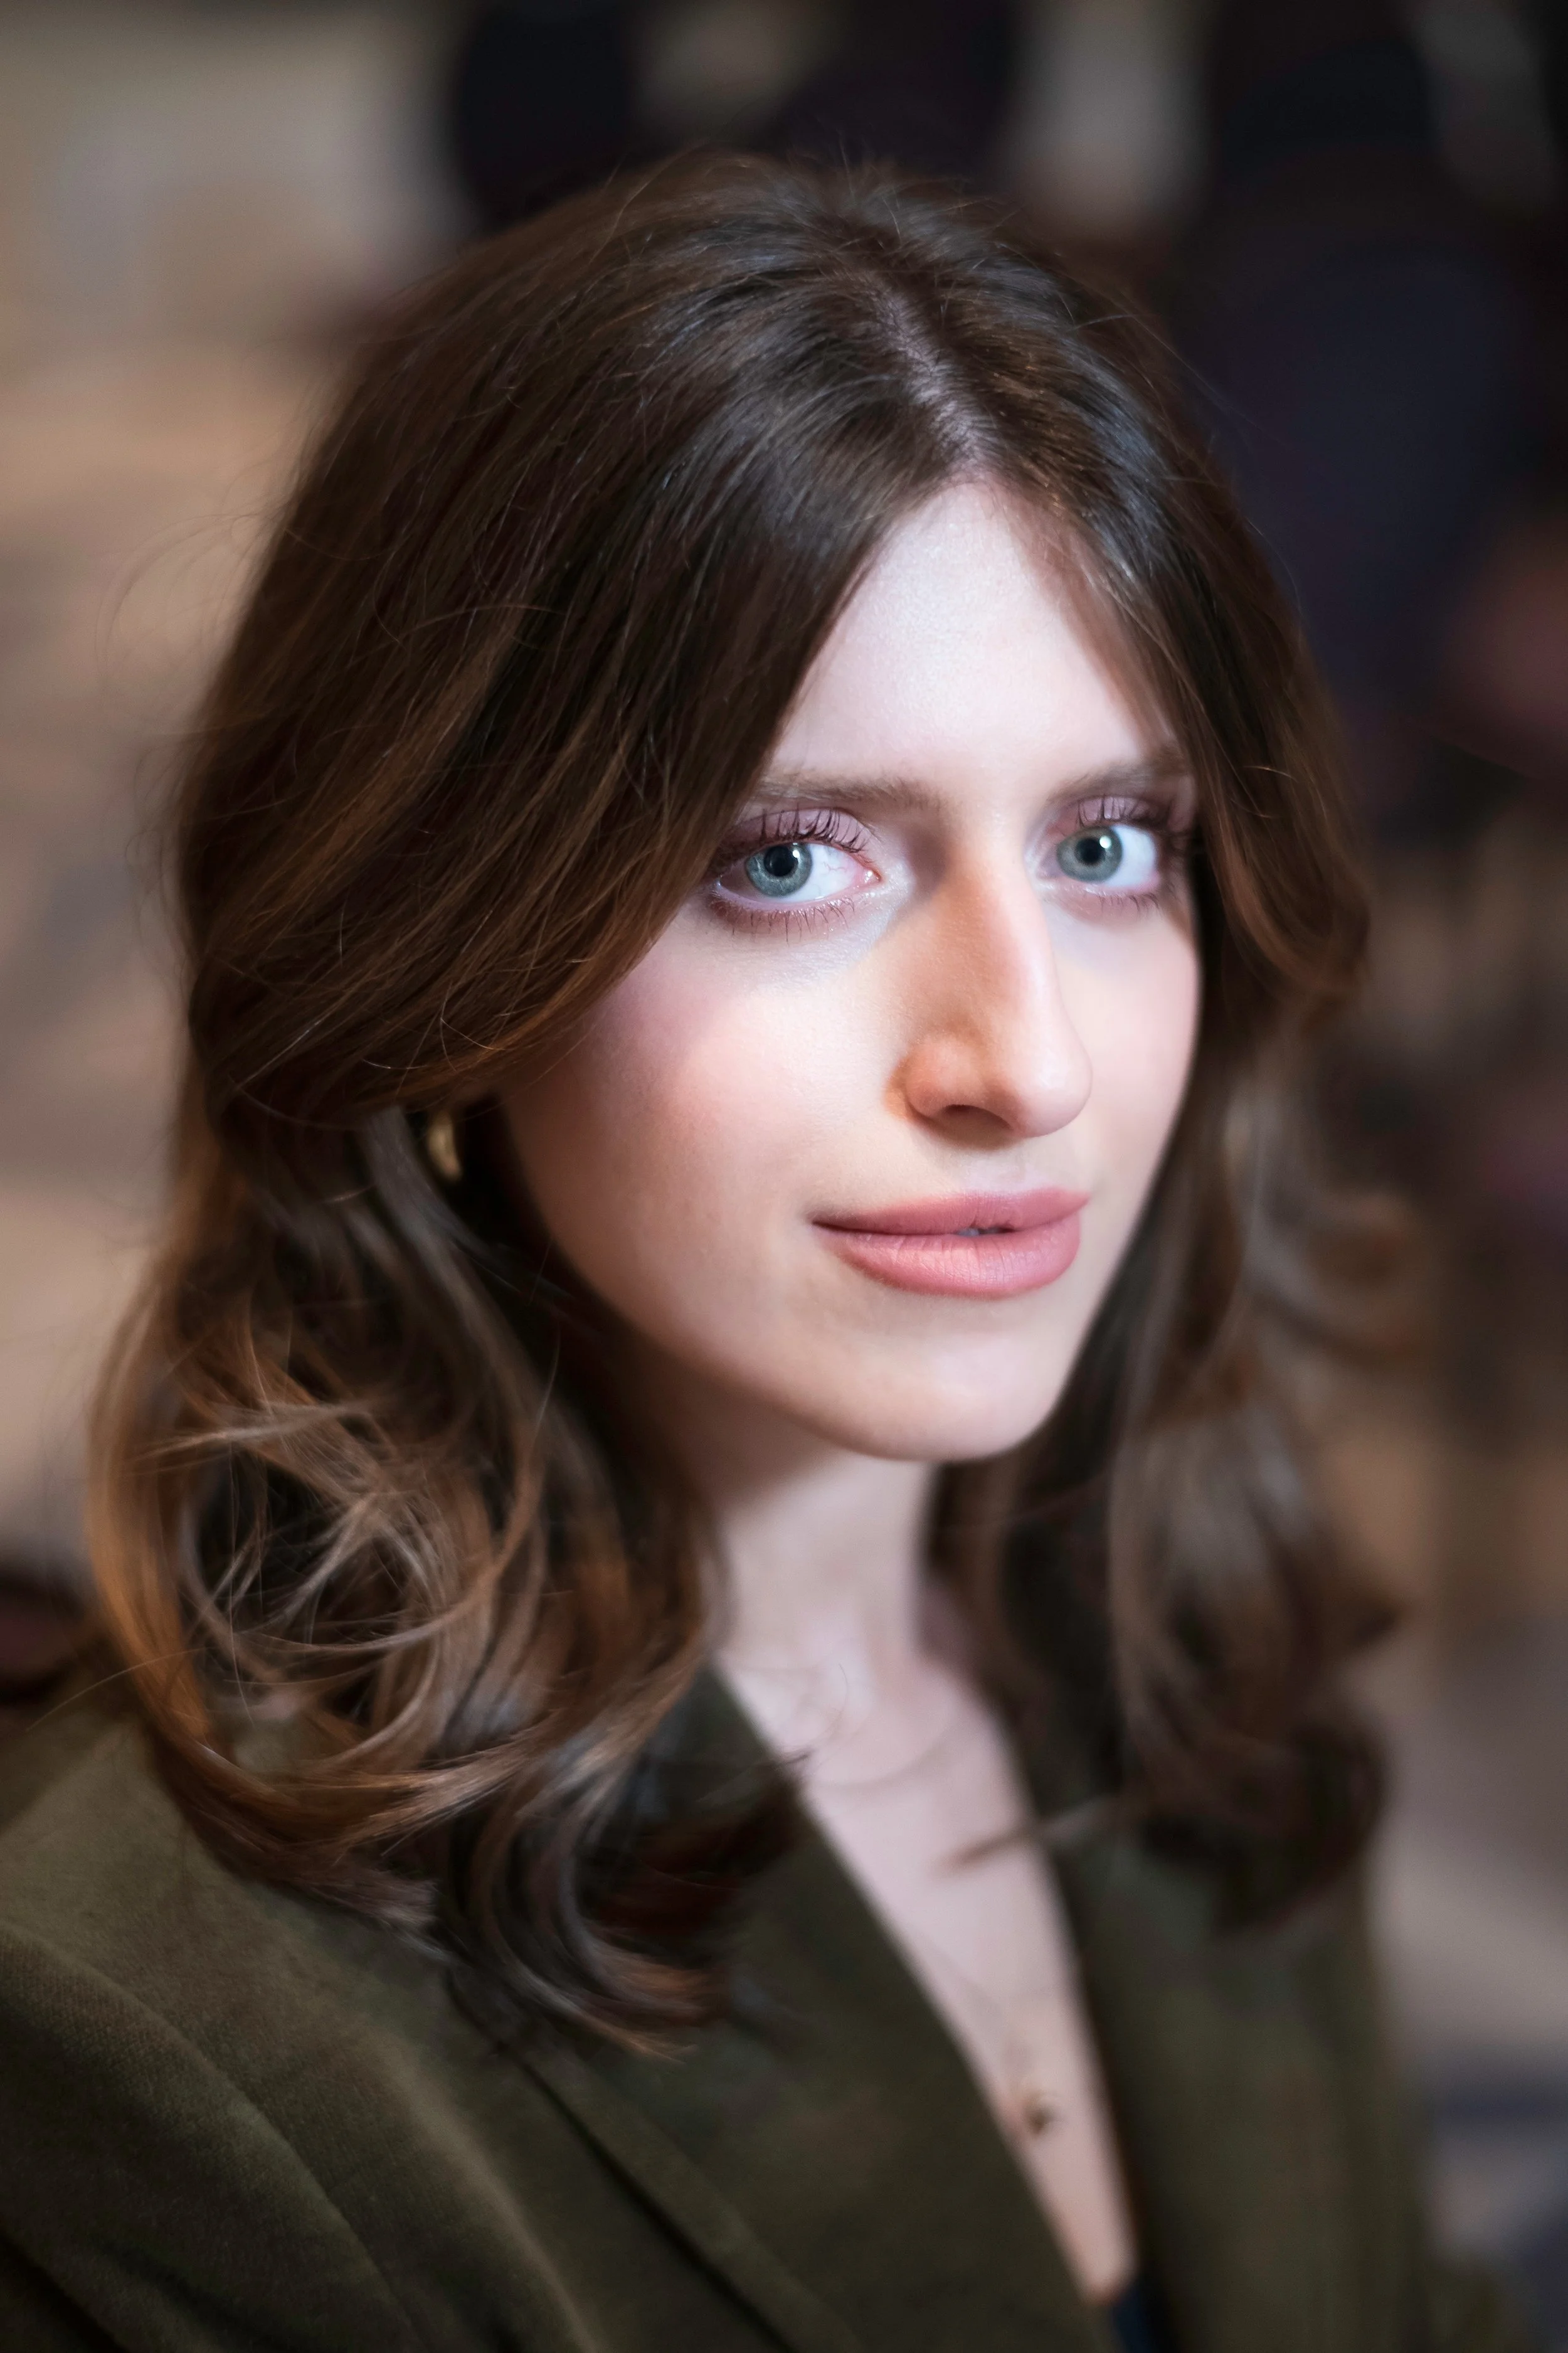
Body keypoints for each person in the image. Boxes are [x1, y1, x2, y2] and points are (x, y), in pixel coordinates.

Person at [0, 156, 1535, 2353]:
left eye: (1108, 844)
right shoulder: (142, 2032)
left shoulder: (1163, 1636)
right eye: (792, 859)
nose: (1022, 1059)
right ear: (440, 938)